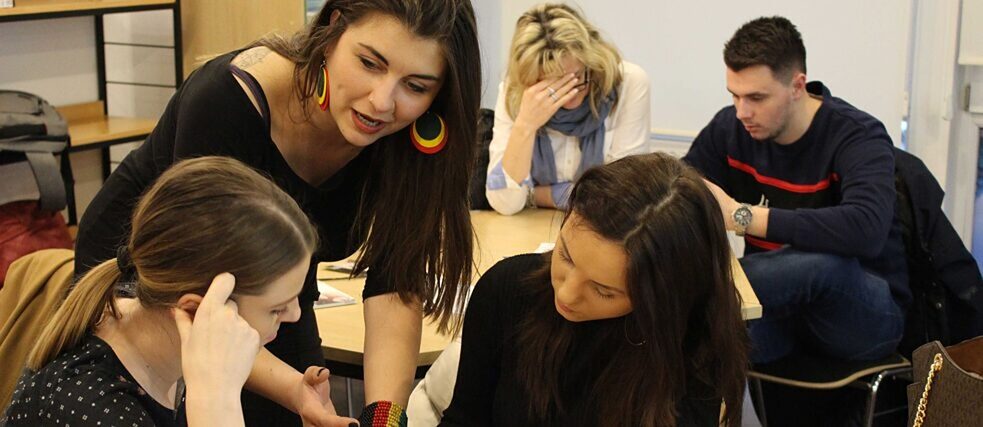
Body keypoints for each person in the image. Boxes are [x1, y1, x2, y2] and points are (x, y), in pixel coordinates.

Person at [73, 0, 480, 425]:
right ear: (335, 28)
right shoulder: (230, 100)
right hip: (154, 293)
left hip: (274, 299)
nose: (381, 102)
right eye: (369, 63)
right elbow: (202, 295)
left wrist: (384, 419)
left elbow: (395, 286)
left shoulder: (415, 138)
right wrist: (291, 388)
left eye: (415, 86)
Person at [2, 157, 356, 426]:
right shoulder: (99, 410)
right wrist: (216, 399)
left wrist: (290, 390)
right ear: (196, 312)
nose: (295, 315)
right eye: (276, 308)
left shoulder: (151, 329)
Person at [441, 153, 749, 426]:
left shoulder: (695, 345)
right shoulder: (508, 289)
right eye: (565, 256)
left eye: (604, 291)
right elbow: (465, 418)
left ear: (661, 302)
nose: (566, 294)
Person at [682, 16, 908, 366]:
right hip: (776, 305)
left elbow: (866, 228)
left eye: (756, 97)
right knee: (693, 349)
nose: (742, 112)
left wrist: (742, 217)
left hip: (860, 314)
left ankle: (699, 291)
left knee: (821, 264)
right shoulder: (729, 128)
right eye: (735, 96)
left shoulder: (856, 135)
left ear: (797, 86)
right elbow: (680, 193)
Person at [485, 3, 653, 215]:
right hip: (530, 228)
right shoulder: (515, 92)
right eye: (553, 88)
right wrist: (526, 125)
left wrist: (538, 195)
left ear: (590, 62)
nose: (570, 99)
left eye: (577, 79)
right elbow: (505, 204)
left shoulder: (628, 83)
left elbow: (623, 200)